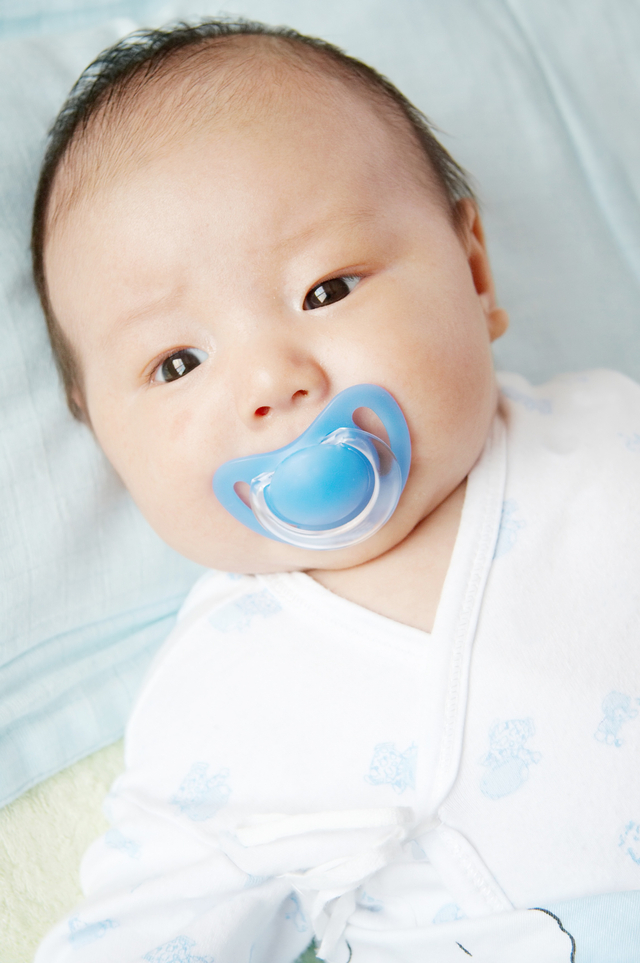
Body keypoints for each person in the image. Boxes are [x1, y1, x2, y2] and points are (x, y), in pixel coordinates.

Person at [32, 19, 640, 963]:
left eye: (326, 290)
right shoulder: (223, 701)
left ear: (474, 271)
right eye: (177, 362)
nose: (272, 381)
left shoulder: (612, 430)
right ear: (106, 439)